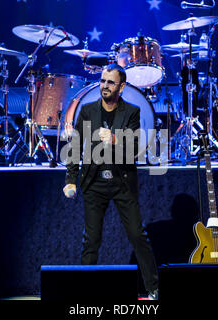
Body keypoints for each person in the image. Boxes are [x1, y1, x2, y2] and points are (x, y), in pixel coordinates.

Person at [63, 64, 159, 300]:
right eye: (103, 81)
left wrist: (116, 139)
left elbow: (136, 147)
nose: (105, 86)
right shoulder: (87, 110)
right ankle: (85, 293)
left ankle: (153, 288)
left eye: (110, 82)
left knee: (138, 235)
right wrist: (70, 180)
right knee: (91, 240)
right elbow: (75, 147)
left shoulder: (132, 111)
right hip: (93, 182)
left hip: (122, 181)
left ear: (122, 86)